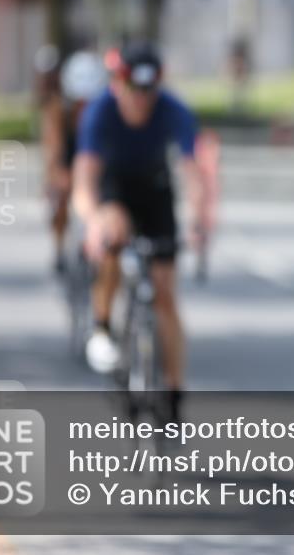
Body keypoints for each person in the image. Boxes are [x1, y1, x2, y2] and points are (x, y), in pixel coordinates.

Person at [72, 42, 209, 422]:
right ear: (118, 84)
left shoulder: (173, 110)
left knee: (165, 293)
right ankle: (101, 326)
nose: (142, 101)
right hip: (115, 189)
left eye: (150, 92)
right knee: (114, 231)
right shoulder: (99, 112)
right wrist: (92, 221)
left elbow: (191, 170)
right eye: (134, 90)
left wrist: (198, 223)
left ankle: (174, 396)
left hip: (155, 190)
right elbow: (84, 182)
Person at [42, 50, 106, 273]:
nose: (84, 106)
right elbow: (54, 148)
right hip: (68, 160)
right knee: (60, 200)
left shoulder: (105, 110)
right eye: (80, 101)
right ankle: (59, 248)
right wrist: (58, 175)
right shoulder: (58, 111)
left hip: (96, 162)